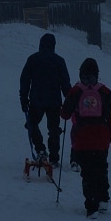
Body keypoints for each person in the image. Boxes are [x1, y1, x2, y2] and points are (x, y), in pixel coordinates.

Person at [60, 57, 111, 218]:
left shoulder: (76, 91)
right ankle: (103, 200)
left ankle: (91, 206)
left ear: (81, 73)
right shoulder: (105, 91)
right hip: (102, 138)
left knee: (87, 172)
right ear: (97, 74)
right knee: (101, 168)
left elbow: (65, 114)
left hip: (82, 138)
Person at [19, 32, 71, 167]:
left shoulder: (33, 59)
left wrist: (23, 98)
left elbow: (24, 80)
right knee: (53, 128)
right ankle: (54, 157)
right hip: (54, 101)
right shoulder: (59, 60)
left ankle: (41, 150)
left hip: (37, 100)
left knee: (31, 124)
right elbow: (65, 83)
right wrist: (70, 100)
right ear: (53, 45)